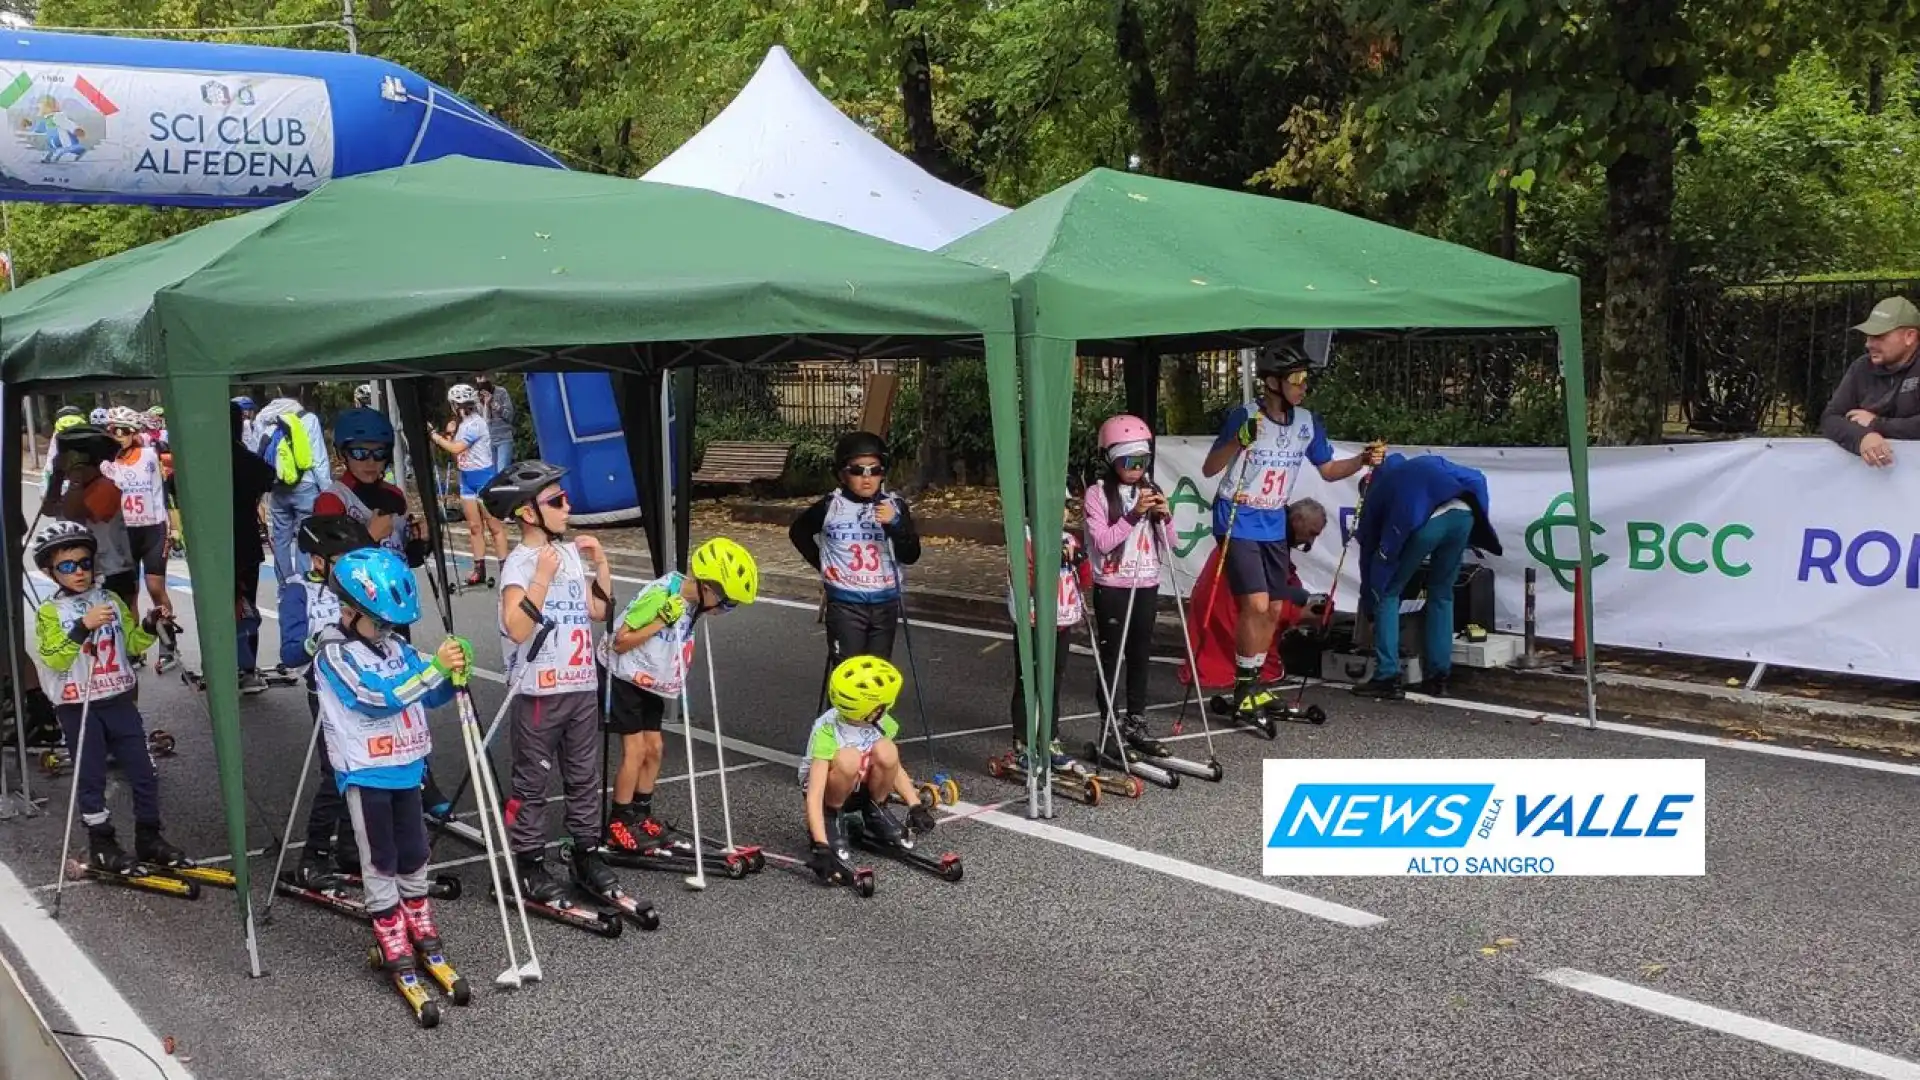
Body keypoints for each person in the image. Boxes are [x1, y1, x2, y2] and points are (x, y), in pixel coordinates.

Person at [310, 547, 469, 974]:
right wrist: (433, 670)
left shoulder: (396, 646)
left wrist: (451, 674)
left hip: (408, 767)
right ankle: (387, 921)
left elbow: (427, 693)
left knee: (414, 849)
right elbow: (376, 698)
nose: (386, 629)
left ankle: (417, 911)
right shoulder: (334, 654)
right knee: (379, 853)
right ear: (352, 609)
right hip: (367, 771)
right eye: (379, 621)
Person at [1199, 344, 1380, 719]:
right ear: (1271, 382)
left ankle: (1254, 684)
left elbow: (1328, 470)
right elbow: (1209, 468)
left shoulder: (1306, 423)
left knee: (1277, 607)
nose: (1303, 387)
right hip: (1238, 515)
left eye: (1305, 379)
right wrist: (1239, 439)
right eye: (1296, 379)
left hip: (1273, 520)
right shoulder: (1245, 416)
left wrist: (1362, 460)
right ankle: (1244, 687)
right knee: (1257, 604)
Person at [479, 461, 618, 904]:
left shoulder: (570, 555)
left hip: (580, 687)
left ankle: (585, 853)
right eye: (556, 501)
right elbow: (516, 628)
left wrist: (601, 564)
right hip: (540, 692)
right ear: (527, 513)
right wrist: (541, 577)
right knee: (531, 784)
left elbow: (599, 612)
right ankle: (528, 862)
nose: (567, 505)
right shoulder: (520, 563)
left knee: (584, 779)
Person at [29, 520, 186, 873]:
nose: (80, 572)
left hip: (117, 697)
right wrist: (82, 626)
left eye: (85, 563)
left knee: (143, 770)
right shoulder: (50, 612)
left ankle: (149, 836)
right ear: (50, 572)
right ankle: (101, 841)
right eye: (68, 567)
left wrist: (148, 626)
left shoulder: (110, 600)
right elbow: (54, 656)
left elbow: (130, 644)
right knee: (91, 775)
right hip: (77, 703)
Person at [603, 534, 760, 850]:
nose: (727, 609)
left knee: (656, 748)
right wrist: (660, 620)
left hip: (650, 681)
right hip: (623, 676)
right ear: (707, 587)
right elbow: (619, 641)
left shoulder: (693, 601)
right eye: (727, 602)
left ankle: (641, 813)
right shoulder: (662, 595)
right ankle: (617, 822)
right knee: (635, 750)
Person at [1351, 454, 1502, 699]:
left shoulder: (1378, 489)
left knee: (1388, 592)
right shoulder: (1429, 463)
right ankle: (1438, 678)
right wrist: (1479, 523)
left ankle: (1387, 676)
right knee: (1442, 594)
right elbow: (1478, 478)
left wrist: (1370, 599)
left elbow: (1369, 550)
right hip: (1463, 515)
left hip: (1426, 522)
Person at [281, 514, 376, 890]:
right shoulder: (298, 590)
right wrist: (316, 640)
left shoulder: (361, 586)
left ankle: (351, 847)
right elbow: (290, 654)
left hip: (363, 689)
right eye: (343, 559)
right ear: (319, 561)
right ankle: (314, 855)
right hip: (325, 692)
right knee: (337, 772)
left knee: (366, 768)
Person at [788, 431, 922, 673]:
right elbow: (799, 533)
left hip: (885, 603)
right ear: (842, 474)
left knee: (877, 677)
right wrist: (825, 567)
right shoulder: (831, 506)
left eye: (875, 470)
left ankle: (875, 713)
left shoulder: (894, 506)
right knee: (848, 677)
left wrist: (896, 524)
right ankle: (841, 713)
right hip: (846, 605)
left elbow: (910, 554)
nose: (867, 478)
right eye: (858, 471)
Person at [1083, 414, 1171, 758]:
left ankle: (1136, 721)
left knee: (1140, 655)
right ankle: (1109, 727)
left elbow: (1172, 543)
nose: (1136, 468)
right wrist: (1133, 515)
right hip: (1114, 584)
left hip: (1147, 580)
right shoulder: (1097, 494)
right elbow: (1103, 542)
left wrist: (1164, 515)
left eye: (1142, 461)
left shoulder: (1152, 490)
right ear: (1110, 460)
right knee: (1112, 658)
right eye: (1128, 461)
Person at [801, 655, 937, 877]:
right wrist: (820, 845)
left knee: (887, 749)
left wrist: (914, 804)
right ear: (869, 709)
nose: (888, 707)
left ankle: (876, 811)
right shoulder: (827, 731)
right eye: (884, 705)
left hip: (863, 787)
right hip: (831, 793)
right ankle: (832, 819)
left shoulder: (879, 722)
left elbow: (895, 766)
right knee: (848, 758)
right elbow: (814, 795)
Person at [1006, 503, 1092, 773]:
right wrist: (1051, 557)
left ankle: (1050, 739)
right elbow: (1025, 580)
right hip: (1032, 622)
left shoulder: (1069, 538)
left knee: (1054, 682)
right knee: (1028, 682)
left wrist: (1079, 557)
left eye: (1064, 506)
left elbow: (1085, 579)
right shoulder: (1025, 538)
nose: (1059, 511)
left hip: (1061, 621)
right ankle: (1023, 742)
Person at [101, 407, 175, 667]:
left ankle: (168, 644)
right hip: (125, 532)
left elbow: (173, 477)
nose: (118, 436)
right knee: (128, 595)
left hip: (153, 528)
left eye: (125, 431)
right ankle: (133, 647)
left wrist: (175, 524)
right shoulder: (106, 462)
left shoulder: (150, 455)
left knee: (156, 588)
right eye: (113, 431)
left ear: (134, 433)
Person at [44, 425, 137, 612]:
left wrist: (76, 477)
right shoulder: (74, 490)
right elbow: (48, 509)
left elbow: (73, 514)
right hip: (84, 572)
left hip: (111, 573)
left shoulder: (105, 488)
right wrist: (56, 476)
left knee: (112, 635)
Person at [1820, 296, 1920, 470]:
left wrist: (1877, 425)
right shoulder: (1861, 367)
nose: (1868, 344)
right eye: (1868, 337)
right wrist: (1863, 437)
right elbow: (1830, 418)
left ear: (1910, 337)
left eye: (1879, 336)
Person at [431, 384, 508, 588]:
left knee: (494, 526)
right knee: (474, 527)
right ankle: (479, 569)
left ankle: (506, 568)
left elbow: (457, 447)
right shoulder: (462, 424)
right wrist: (448, 434)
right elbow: (456, 454)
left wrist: (435, 437)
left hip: (483, 478)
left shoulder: (475, 423)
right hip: (466, 478)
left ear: (457, 404)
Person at [251, 395, 330, 586]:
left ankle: (285, 582)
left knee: (281, 538)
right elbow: (318, 458)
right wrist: (327, 489)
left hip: (278, 488)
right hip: (306, 485)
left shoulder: (265, 420)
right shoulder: (308, 419)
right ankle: (303, 583)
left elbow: (256, 451)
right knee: (305, 535)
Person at [230, 402, 281, 694]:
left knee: (217, 608)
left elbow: (172, 484)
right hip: (246, 540)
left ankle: (220, 665)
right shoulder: (248, 460)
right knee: (245, 604)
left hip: (211, 546)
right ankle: (246, 668)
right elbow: (269, 478)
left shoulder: (200, 461)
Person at [475, 375, 516, 474]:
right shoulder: (475, 397)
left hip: (503, 438)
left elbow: (510, 416)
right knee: (491, 475)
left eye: (484, 376)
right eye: (478, 377)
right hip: (487, 441)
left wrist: (496, 406)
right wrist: (484, 405)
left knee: (502, 473)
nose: (481, 380)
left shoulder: (501, 392)